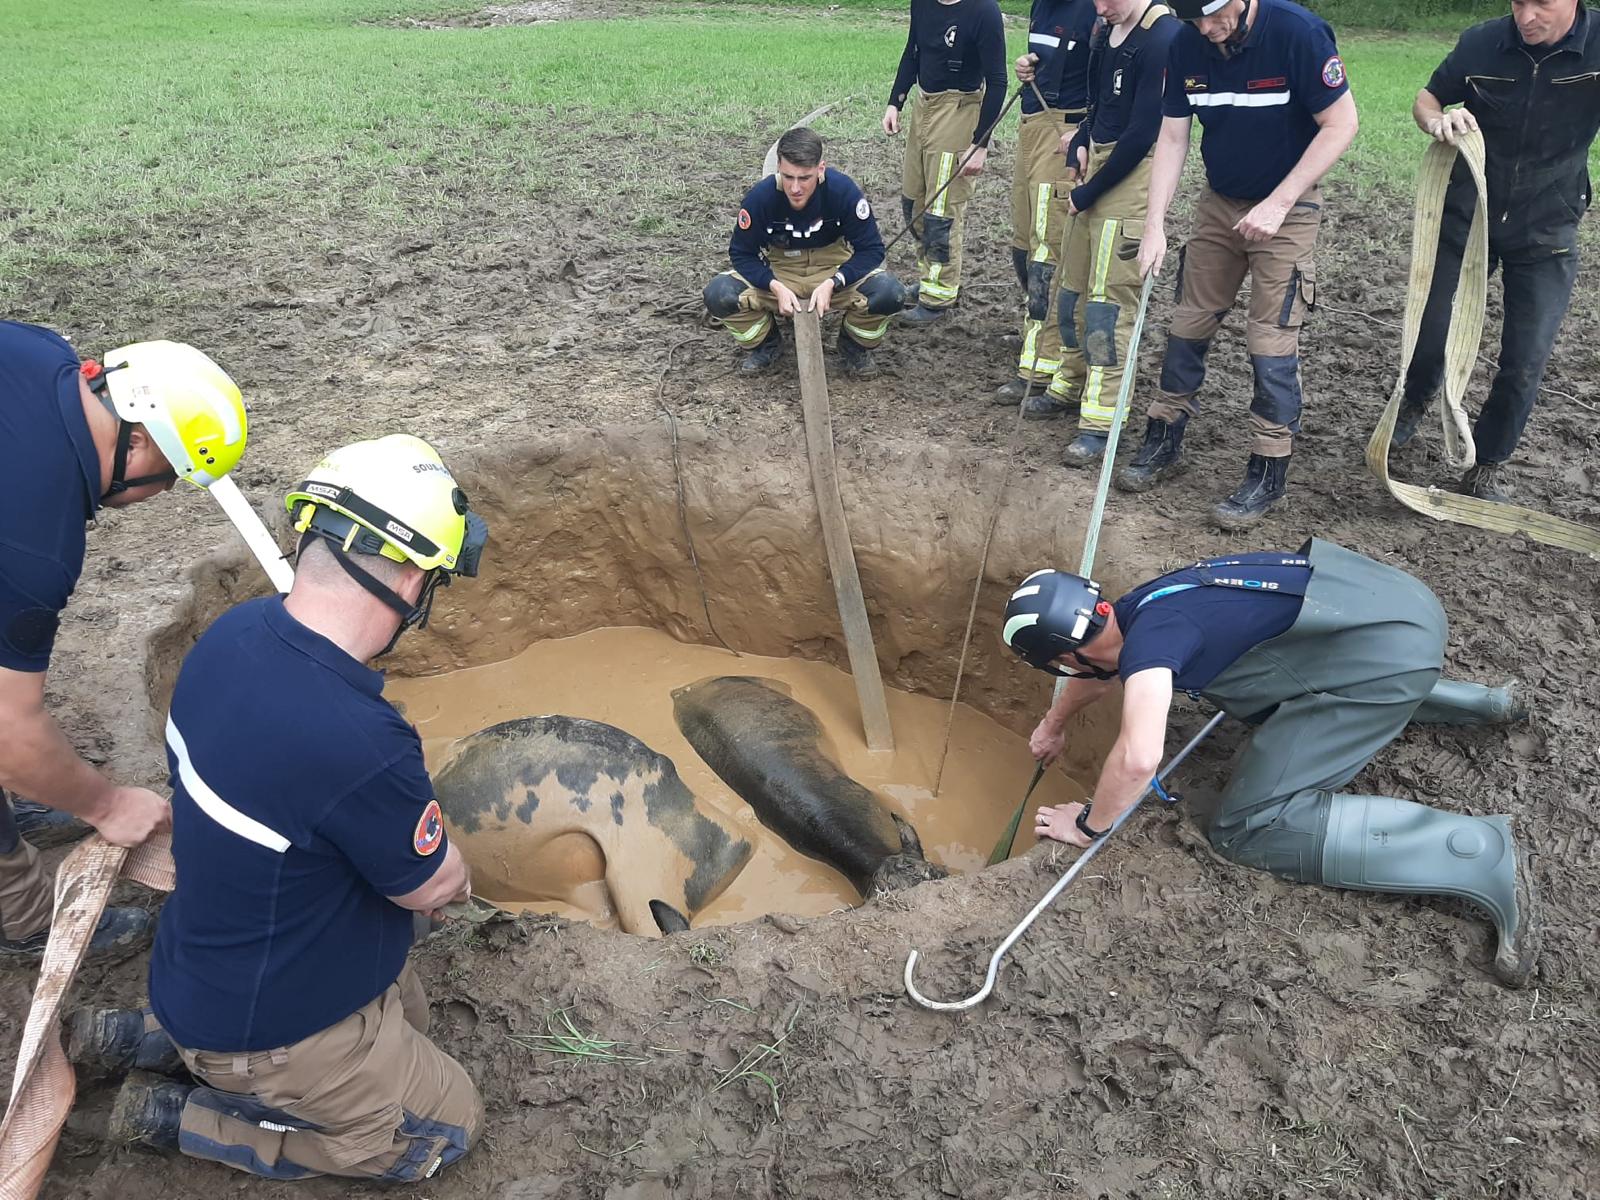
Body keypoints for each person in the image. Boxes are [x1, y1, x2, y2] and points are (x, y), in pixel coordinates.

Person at [95, 434, 490, 1181]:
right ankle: (191, 1116)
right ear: (411, 580)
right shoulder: (360, 740)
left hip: (210, 965)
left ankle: (147, 1038)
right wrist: (459, 875)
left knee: (417, 1018)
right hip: (270, 1026)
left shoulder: (234, 635)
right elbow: (433, 887)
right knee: (442, 1129)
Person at [1000, 540, 1540, 986]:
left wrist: (1091, 825)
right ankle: (1479, 702)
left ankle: (1479, 855)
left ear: (1063, 657)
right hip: (1388, 605)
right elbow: (1103, 670)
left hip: (1387, 657)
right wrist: (1055, 723)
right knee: (1270, 689)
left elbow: (1140, 757)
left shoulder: (1151, 647)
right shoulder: (1139, 608)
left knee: (1249, 828)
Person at [0, 321, 248, 962]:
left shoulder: (40, 352)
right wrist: (106, 804)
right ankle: (24, 923)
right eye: (167, 477)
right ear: (136, 441)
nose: (159, 495)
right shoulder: (34, 547)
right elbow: (7, 727)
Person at [1122, 0, 1359, 529]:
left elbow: (1341, 123)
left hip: (1289, 209)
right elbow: (1174, 135)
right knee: (1189, 321)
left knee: (1270, 340)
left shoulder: (1297, 34)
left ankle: (1267, 466)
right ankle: (1163, 436)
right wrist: (1155, 223)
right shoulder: (1188, 44)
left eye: (1215, 14)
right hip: (1220, 202)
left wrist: (1278, 203)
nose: (1207, 29)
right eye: (1195, 20)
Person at [1392, 0, 1600, 502]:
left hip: (1547, 227)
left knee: (1525, 359)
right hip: (1468, 216)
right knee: (1432, 328)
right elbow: (1426, 98)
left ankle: (1486, 464)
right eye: (1518, 2)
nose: (1526, 16)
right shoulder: (1482, 41)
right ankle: (1412, 404)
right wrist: (1436, 120)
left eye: (1542, 4)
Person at [1048, 0, 1182, 458]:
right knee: (1071, 291)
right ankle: (1070, 380)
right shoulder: (1105, 29)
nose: (1098, 7)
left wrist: (1090, 192)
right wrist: (1080, 143)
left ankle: (1102, 419)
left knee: (1107, 305)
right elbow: (1099, 106)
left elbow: (1144, 131)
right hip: (1097, 166)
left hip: (1131, 176)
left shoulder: (1162, 38)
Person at [704, 126, 907, 380]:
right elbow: (741, 253)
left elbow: (871, 249)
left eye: (805, 178)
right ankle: (765, 345)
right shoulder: (760, 198)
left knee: (890, 292)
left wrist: (835, 282)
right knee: (718, 293)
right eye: (788, 177)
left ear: (820, 169)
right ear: (778, 166)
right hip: (781, 270)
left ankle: (854, 346)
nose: (795, 188)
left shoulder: (843, 192)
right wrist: (774, 286)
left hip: (833, 267)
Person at [995, 0, 1099, 410]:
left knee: (1049, 253)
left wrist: (1081, 136)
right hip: (1032, 122)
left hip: (1065, 130)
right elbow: (1057, 59)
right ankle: (1037, 339)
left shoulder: (1096, 11)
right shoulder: (1043, 6)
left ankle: (1042, 366)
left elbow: (1103, 76)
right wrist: (1029, 67)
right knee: (1024, 244)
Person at [884, 0, 1009, 324]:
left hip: (959, 109)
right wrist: (895, 101)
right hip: (923, 106)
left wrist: (980, 142)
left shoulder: (984, 12)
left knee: (941, 211)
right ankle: (930, 276)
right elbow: (913, 51)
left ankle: (939, 294)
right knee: (913, 203)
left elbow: (998, 81)